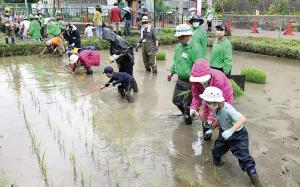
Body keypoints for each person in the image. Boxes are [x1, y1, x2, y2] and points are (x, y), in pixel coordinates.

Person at [199, 87, 262, 187]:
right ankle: (217, 170)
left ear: (216, 101)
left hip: (238, 136)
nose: (207, 104)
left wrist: (231, 130)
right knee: (216, 152)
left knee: (245, 160)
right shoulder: (216, 109)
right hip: (224, 134)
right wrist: (212, 129)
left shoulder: (228, 109)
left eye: (208, 102)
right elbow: (219, 120)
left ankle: (257, 183)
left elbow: (242, 119)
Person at [167, 24, 203, 125]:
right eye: (178, 37)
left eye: (181, 37)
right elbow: (176, 61)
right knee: (175, 100)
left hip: (190, 81)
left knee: (187, 105)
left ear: (188, 35)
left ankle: (188, 125)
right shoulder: (179, 47)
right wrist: (172, 72)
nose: (179, 39)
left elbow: (200, 66)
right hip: (180, 79)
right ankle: (189, 115)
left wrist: (198, 84)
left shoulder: (196, 48)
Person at [189, 60, 233, 141]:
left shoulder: (217, 79)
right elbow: (196, 96)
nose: (199, 81)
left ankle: (223, 138)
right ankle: (207, 134)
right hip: (207, 96)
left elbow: (215, 105)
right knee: (205, 115)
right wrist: (193, 108)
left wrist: (211, 119)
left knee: (222, 116)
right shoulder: (195, 82)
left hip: (223, 96)